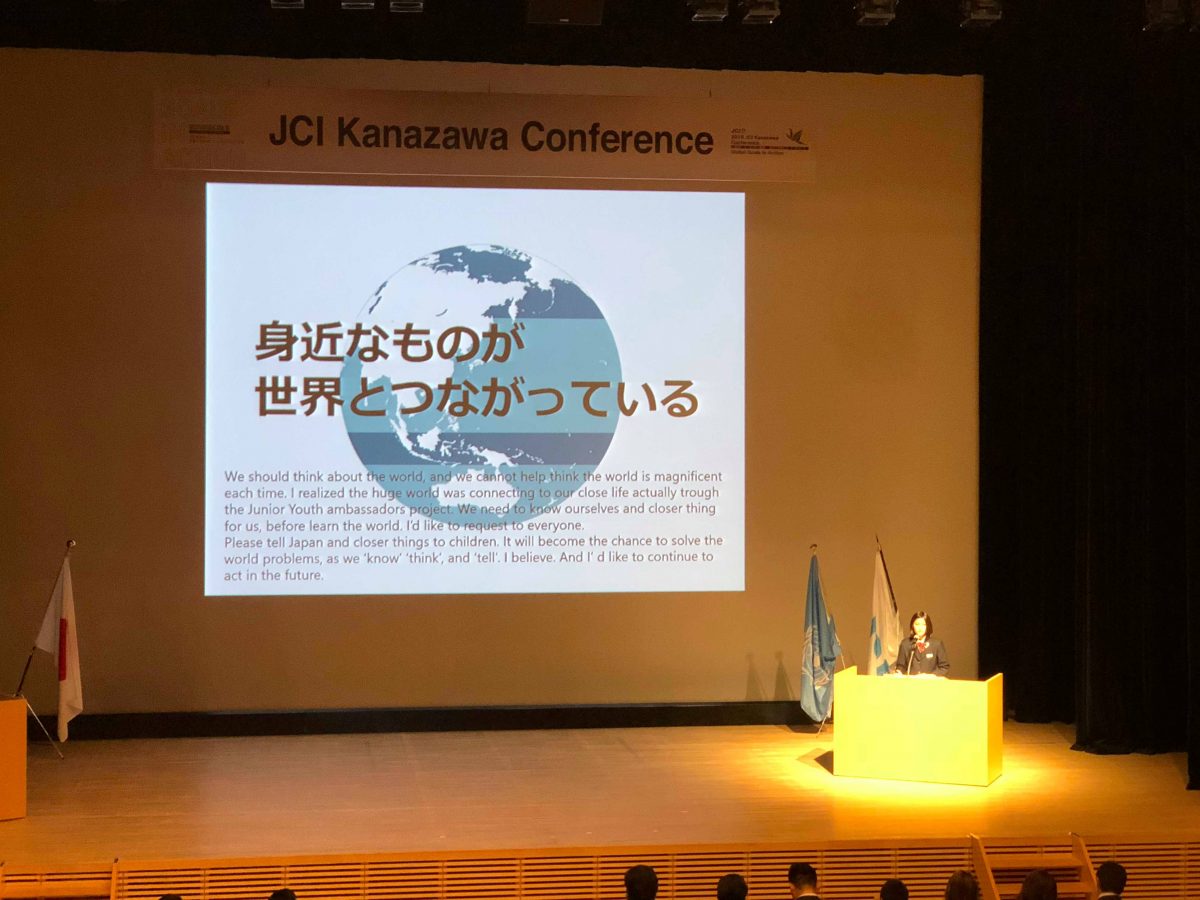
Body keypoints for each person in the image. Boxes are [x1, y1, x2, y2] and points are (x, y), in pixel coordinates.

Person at [894, 611, 950, 675]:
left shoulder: (937, 644)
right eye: (917, 624)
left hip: (930, 680)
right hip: (911, 680)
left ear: (928, 626)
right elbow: (900, 666)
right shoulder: (905, 644)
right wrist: (899, 672)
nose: (920, 628)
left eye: (923, 625)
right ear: (912, 625)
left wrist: (930, 676)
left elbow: (944, 667)